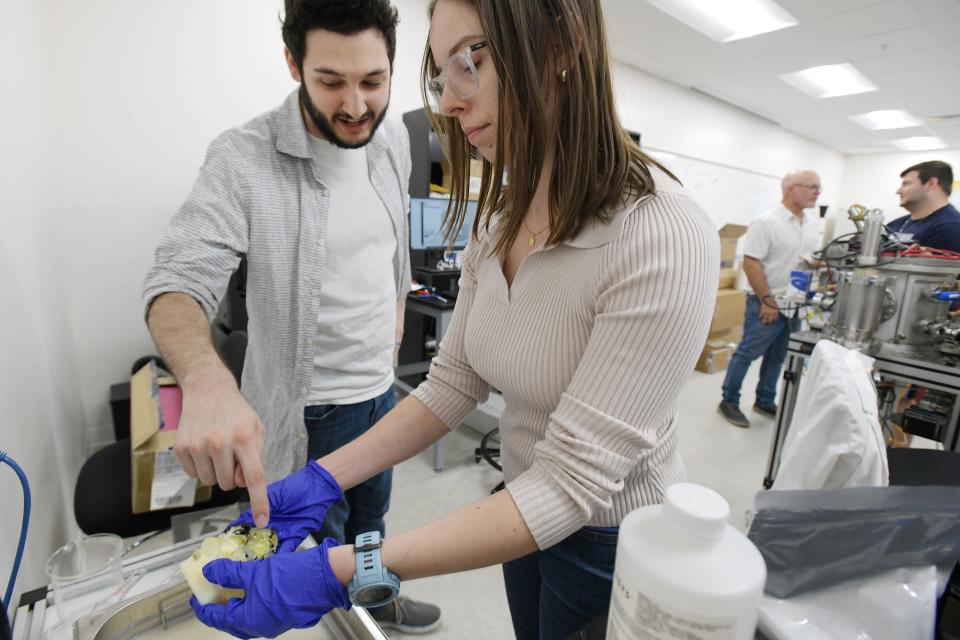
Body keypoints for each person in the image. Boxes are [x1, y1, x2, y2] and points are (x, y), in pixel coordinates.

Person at [189, 1, 719, 639]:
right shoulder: (501, 217)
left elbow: (571, 484)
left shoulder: (662, 233)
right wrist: (325, 476)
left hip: (609, 539)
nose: (449, 103)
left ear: (561, 45)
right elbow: (453, 383)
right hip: (518, 511)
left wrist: (347, 567)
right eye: (441, 76)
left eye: (472, 61)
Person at [142, 0, 442, 632]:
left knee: (371, 528)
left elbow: (387, 247)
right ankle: (354, 622)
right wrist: (205, 379)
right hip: (310, 414)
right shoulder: (242, 158)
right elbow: (177, 278)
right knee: (313, 562)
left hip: (380, 393)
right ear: (293, 64)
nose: (356, 105)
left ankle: (377, 602)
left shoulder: (390, 143)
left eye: (373, 81)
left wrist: (391, 315)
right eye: (331, 82)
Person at [717, 170, 822, 429]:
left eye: (818, 188)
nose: (817, 192)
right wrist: (768, 301)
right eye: (812, 187)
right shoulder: (766, 222)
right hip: (768, 302)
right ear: (790, 189)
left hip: (795, 303)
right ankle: (728, 401)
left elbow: (807, 260)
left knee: (778, 356)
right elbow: (751, 263)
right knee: (747, 353)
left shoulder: (810, 223)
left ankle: (765, 400)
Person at [888, 161, 960, 252]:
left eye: (906, 184)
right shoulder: (895, 224)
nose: (898, 191)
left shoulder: (950, 228)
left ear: (931, 184)